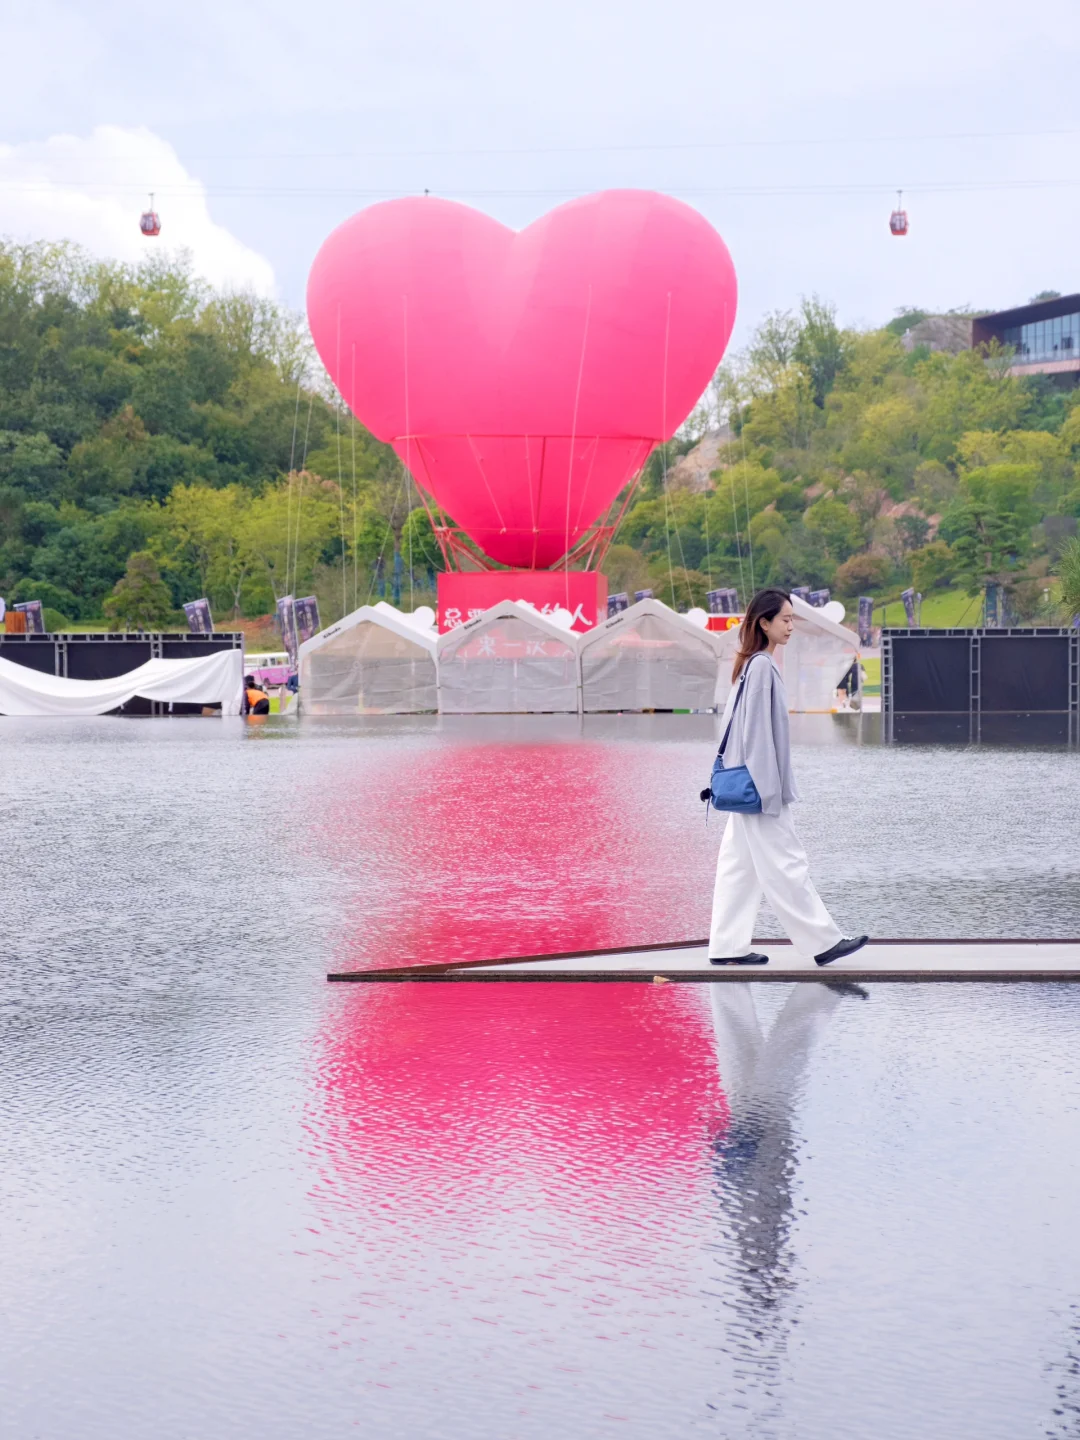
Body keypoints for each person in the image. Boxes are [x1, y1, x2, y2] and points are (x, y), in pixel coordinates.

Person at [708, 587, 868, 968]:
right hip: (762, 789)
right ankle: (823, 941)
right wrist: (770, 792)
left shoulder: (749, 664)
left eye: (792, 618)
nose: (791, 625)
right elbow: (758, 737)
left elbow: (735, 732)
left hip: (747, 785)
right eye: (785, 618)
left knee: (739, 867)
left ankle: (726, 947)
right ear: (764, 622)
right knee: (787, 862)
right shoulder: (762, 666)